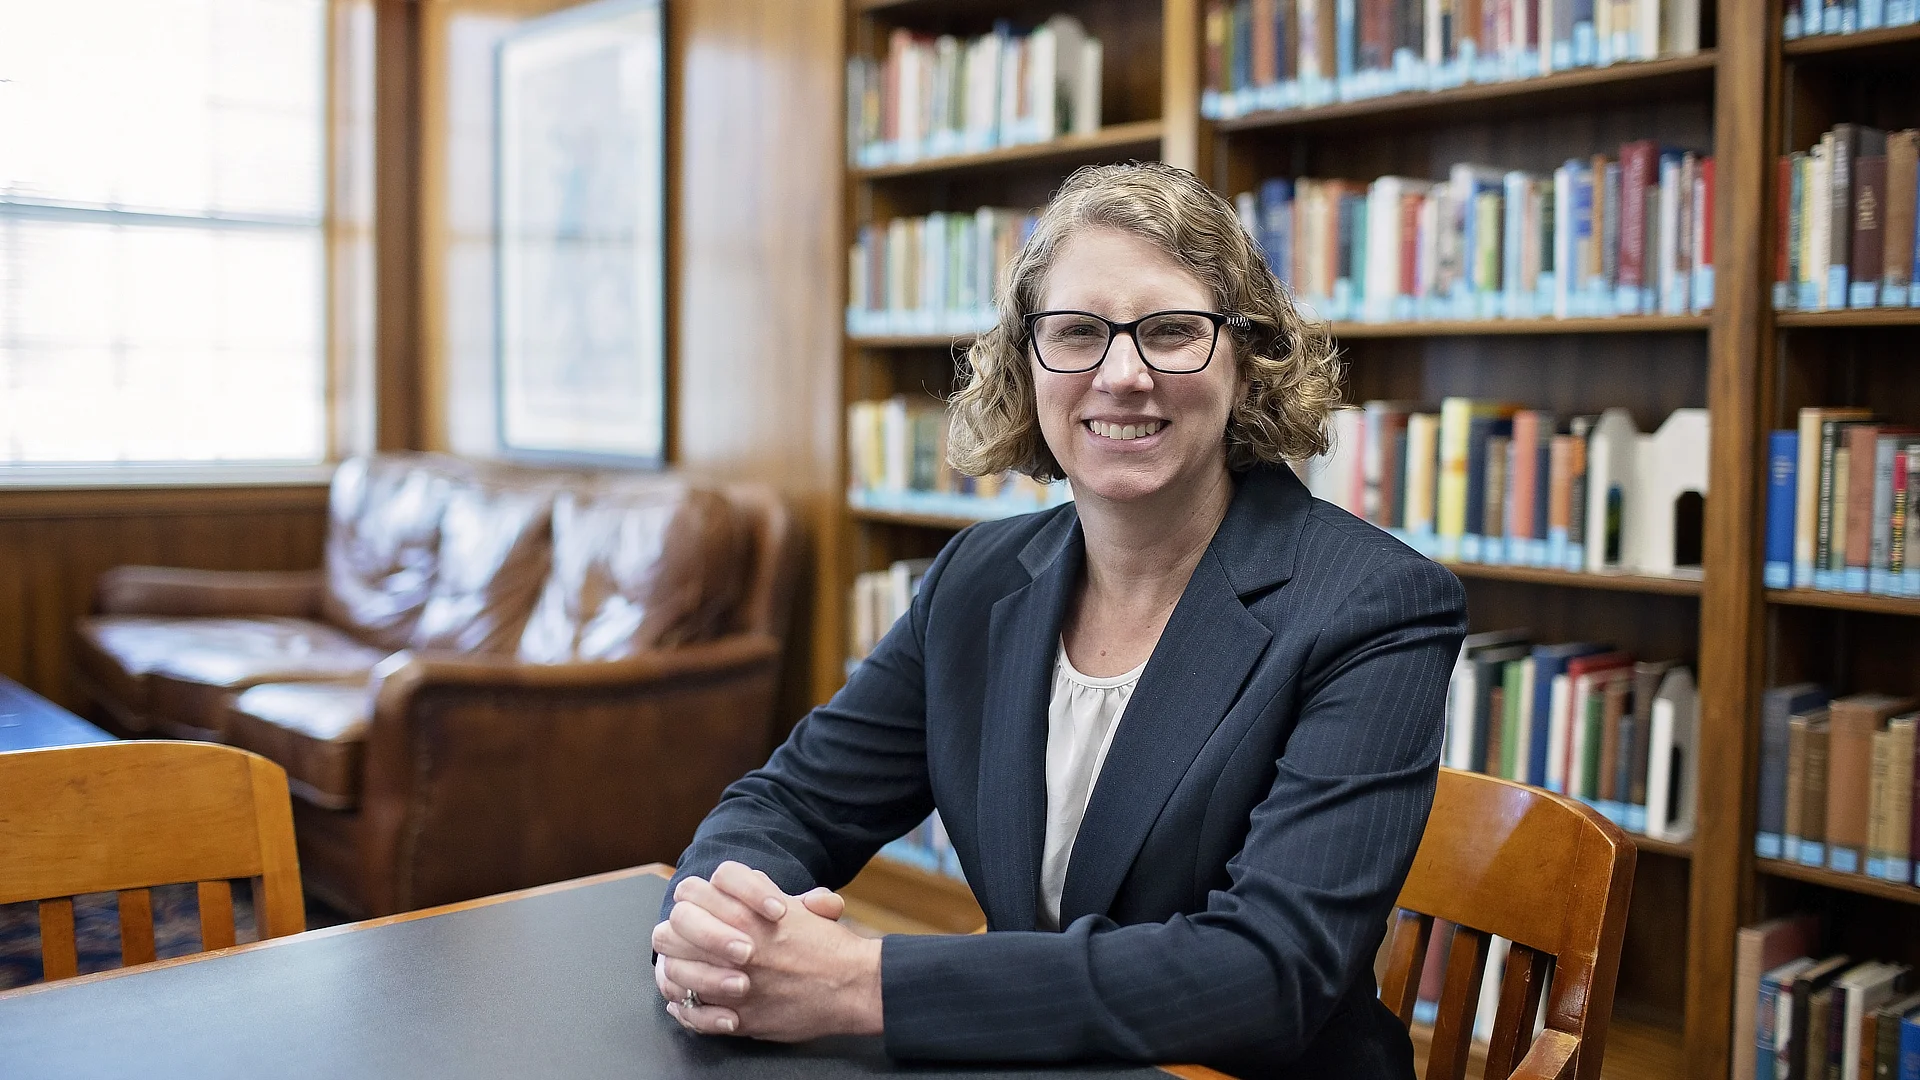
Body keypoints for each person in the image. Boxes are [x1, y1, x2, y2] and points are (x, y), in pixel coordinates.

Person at [649, 161, 1467, 1079]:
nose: (1122, 375)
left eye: (1171, 331)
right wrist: (716, 921)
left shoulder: (1373, 606)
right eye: (1077, 332)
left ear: (1246, 360)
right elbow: (787, 803)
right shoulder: (977, 579)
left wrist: (861, 983)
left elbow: (1269, 971)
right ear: (1026, 363)